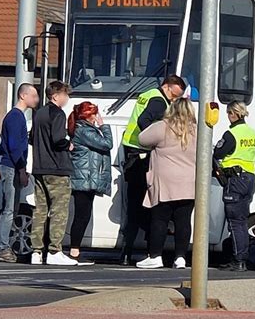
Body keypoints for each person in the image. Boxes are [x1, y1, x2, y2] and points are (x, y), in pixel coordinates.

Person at [120, 74, 186, 265]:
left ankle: (126, 252)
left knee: (133, 209)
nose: (173, 100)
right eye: (174, 95)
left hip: (133, 155)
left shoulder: (148, 94)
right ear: (168, 86)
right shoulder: (158, 101)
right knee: (152, 208)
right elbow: (144, 121)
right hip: (143, 157)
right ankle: (151, 253)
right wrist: (156, 137)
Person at [136, 98, 197, 269]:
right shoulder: (197, 130)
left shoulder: (163, 126)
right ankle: (180, 258)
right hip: (189, 183)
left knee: (159, 220)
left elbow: (142, 139)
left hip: (165, 182)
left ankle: (155, 256)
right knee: (183, 221)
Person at [30, 81, 77, 266]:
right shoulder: (57, 113)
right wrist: (69, 144)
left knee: (40, 210)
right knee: (59, 210)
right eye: (65, 95)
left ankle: (36, 251)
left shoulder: (39, 113)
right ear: (56, 96)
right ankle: (54, 250)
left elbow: (32, 137)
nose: (67, 98)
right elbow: (58, 139)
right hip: (57, 168)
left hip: (39, 166)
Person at [0, 83, 39, 263]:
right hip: (11, 168)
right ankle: (2, 247)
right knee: (9, 209)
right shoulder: (15, 118)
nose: (36, 99)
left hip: (13, 167)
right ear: (23, 96)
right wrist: (21, 169)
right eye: (33, 96)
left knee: (13, 208)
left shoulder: (17, 117)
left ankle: (3, 246)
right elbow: (14, 146)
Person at [214, 101, 255, 272]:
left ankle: (239, 260)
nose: (227, 116)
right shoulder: (252, 133)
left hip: (235, 179)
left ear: (234, 113)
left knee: (235, 222)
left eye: (228, 113)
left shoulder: (232, 134)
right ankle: (239, 257)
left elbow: (218, 153)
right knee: (242, 221)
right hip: (249, 178)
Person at [68, 101, 113, 265]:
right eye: (94, 114)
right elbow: (107, 144)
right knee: (82, 215)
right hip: (84, 178)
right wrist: (104, 127)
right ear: (87, 115)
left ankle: (75, 249)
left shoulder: (84, 130)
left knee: (83, 215)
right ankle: (74, 251)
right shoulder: (84, 130)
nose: (97, 117)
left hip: (87, 177)